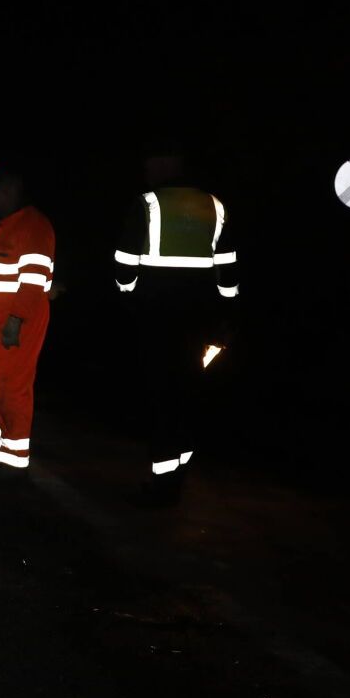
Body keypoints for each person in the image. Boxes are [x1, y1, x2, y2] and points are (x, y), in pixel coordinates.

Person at [114, 144, 239, 506]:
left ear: (165, 165)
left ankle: (162, 485)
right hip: (199, 318)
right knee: (186, 393)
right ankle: (179, 471)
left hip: (157, 317)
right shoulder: (214, 205)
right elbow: (228, 267)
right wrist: (228, 315)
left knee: (162, 397)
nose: (146, 170)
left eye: (151, 163)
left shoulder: (147, 203)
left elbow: (124, 262)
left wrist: (129, 295)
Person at [0, 168, 56, 478]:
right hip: (3, 324)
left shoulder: (32, 226)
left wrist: (15, 321)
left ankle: (14, 460)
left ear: (10, 192)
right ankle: (7, 452)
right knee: (4, 389)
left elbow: (32, 282)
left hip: (16, 325)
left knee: (14, 390)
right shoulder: (9, 225)